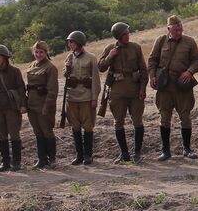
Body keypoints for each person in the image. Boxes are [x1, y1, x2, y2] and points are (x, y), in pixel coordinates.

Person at [148, 16, 198, 160]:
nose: (178, 32)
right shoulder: (160, 41)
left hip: (182, 85)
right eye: (176, 29)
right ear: (169, 29)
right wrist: (152, 76)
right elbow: (152, 60)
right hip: (165, 85)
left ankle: (187, 149)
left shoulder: (189, 42)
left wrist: (189, 71)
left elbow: (197, 60)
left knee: (185, 116)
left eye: (180, 29)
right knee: (164, 117)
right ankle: (165, 151)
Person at [99, 22, 147, 163]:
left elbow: (143, 70)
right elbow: (100, 67)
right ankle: (124, 153)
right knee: (118, 122)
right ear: (119, 36)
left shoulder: (136, 48)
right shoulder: (109, 48)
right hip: (117, 91)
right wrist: (110, 57)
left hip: (134, 89)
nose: (128, 35)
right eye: (125, 33)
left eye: (128, 33)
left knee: (138, 121)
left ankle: (137, 153)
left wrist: (143, 89)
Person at [62, 31, 100, 165]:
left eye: (71, 42)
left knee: (88, 127)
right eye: (69, 42)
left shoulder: (91, 58)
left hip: (86, 96)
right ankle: (79, 155)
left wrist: (94, 97)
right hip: (72, 97)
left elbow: (95, 78)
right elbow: (65, 76)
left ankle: (88, 155)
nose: (69, 44)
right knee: (75, 127)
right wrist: (67, 69)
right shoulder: (69, 57)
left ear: (79, 42)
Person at [0, 44, 27, 171]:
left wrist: (22, 105)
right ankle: (5, 162)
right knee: (2, 136)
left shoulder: (14, 71)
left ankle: (16, 162)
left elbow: (21, 88)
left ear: (5, 57)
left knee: (14, 135)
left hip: (11, 107)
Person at [24, 41, 59, 169]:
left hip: (44, 104)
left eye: (41, 52)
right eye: (36, 52)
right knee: (37, 132)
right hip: (32, 104)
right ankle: (41, 159)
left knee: (47, 131)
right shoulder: (32, 65)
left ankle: (52, 159)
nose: (38, 54)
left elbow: (52, 90)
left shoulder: (50, 68)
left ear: (46, 53)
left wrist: (47, 106)